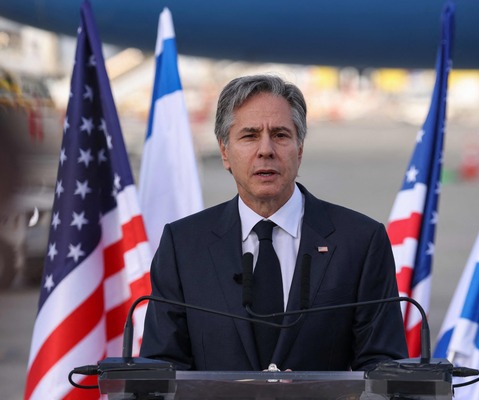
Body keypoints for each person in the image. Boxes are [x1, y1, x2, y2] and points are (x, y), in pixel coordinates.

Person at [140, 74, 408, 371]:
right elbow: (162, 366)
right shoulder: (184, 244)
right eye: (250, 135)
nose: (266, 150)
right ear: (225, 152)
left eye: (280, 135)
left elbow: (382, 366)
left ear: (300, 149)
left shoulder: (360, 241)